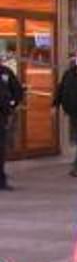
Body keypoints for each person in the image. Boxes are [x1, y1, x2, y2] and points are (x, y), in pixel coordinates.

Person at [0, 58, 24, 190]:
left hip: (2, 116)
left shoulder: (6, 72)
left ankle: (1, 181)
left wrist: (12, 104)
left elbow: (17, 91)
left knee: (1, 149)